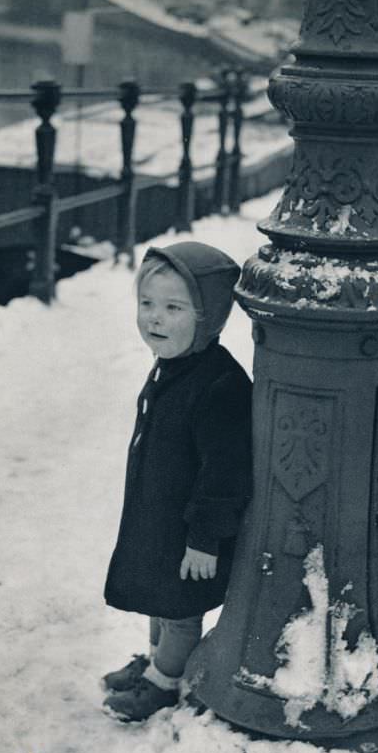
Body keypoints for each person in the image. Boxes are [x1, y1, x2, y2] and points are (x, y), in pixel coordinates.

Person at [102, 241, 253, 722]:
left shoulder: (219, 385)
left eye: (172, 308)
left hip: (192, 531)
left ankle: (165, 682)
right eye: (146, 305)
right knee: (158, 596)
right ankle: (155, 662)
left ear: (206, 317)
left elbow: (224, 473)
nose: (154, 319)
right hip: (161, 516)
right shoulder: (175, 364)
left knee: (181, 611)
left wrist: (205, 539)